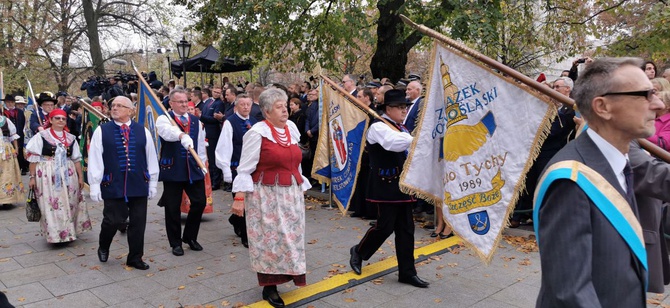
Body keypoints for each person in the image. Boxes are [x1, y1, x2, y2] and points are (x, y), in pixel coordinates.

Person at [534, 57, 663, 307]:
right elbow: (570, 296)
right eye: (645, 94)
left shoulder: (615, 163)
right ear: (603, 107)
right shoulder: (570, 180)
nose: (657, 104)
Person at [231, 88, 311, 307]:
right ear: (266, 111)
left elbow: (296, 161)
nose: (284, 110)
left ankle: (289, 274)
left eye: (285, 106)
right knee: (269, 240)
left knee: (290, 238)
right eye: (279, 107)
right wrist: (239, 197)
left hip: (290, 194)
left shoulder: (292, 129)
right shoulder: (257, 133)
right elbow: (245, 168)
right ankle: (269, 286)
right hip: (266, 195)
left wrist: (300, 182)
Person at [348, 89, 429, 288]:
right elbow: (393, 144)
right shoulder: (378, 127)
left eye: (405, 107)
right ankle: (358, 251)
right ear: (388, 109)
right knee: (384, 227)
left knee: (406, 229)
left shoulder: (400, 128)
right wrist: (420, 137)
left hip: (402, 184)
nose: (404, 111)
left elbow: (409, 149)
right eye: (400, 107)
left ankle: (407, 272)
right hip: (385, 184)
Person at [87, 96, 159, 270]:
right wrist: (94, 184)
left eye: (120, 106)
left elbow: (151, 157)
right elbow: (95, 158)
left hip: (138, 182)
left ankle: (135, 257)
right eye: (113, 105)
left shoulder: (143, 131)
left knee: (138, 222)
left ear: (130, 110)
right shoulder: (102, 130)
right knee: (112, 220)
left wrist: (153, 182)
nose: (115, 108)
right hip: (113, 182)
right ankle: (104, 245)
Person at [26, 109, 91, 243]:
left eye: (63, 119)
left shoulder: (70, 138)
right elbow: (33, 158)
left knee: (70, 201)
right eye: (57, 118)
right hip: (47, 173)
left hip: (68, 172)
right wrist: (32, 177)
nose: (61, 121)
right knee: (51, 203)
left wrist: (80, 177)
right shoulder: (41, 136)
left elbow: (76, 159)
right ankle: (55, 234)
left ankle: (68, 231)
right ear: (50, 120)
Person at [156, 89, 208, 256]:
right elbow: (167, 133)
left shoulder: (195, 120)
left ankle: (190, 237)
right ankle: (175, 242)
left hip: (193, 167)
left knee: (200, 202)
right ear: (171, 103)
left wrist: (202, 163)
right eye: (180, 102)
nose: (184, 104)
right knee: (172, 207)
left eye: (186, 101)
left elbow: (199, 143)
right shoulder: (164, 119)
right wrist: (180, 135)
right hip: (173, 168)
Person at [216, 94, 258, 248]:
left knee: (251, 200)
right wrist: (225, 169)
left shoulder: (255, 122)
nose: (246, 107)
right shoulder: (230, 122)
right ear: (236, 106)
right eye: (243, 104)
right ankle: (246, 236)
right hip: (237, 166)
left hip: (253, 167)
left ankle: (235, 220)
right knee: (241, 199)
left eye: (248, 104)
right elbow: (224, 145)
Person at [0, 109, 24, 206]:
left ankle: (7, 200)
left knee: (7, 174)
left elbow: (13, 135)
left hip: (6, 150)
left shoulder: (5, 120)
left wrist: (16, 148)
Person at [3, 95, 28, 175]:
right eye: (8, 102)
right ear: (5, 103)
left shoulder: (19, 112)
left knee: (19, 150)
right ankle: (12, 168)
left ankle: (22, 167)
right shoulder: (2, 112)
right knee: (10, 151)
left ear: (14, 103)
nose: (10, 104)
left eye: (12, 102)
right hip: (7, 136)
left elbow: (22, 122)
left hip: (19, 133)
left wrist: (19, 131)